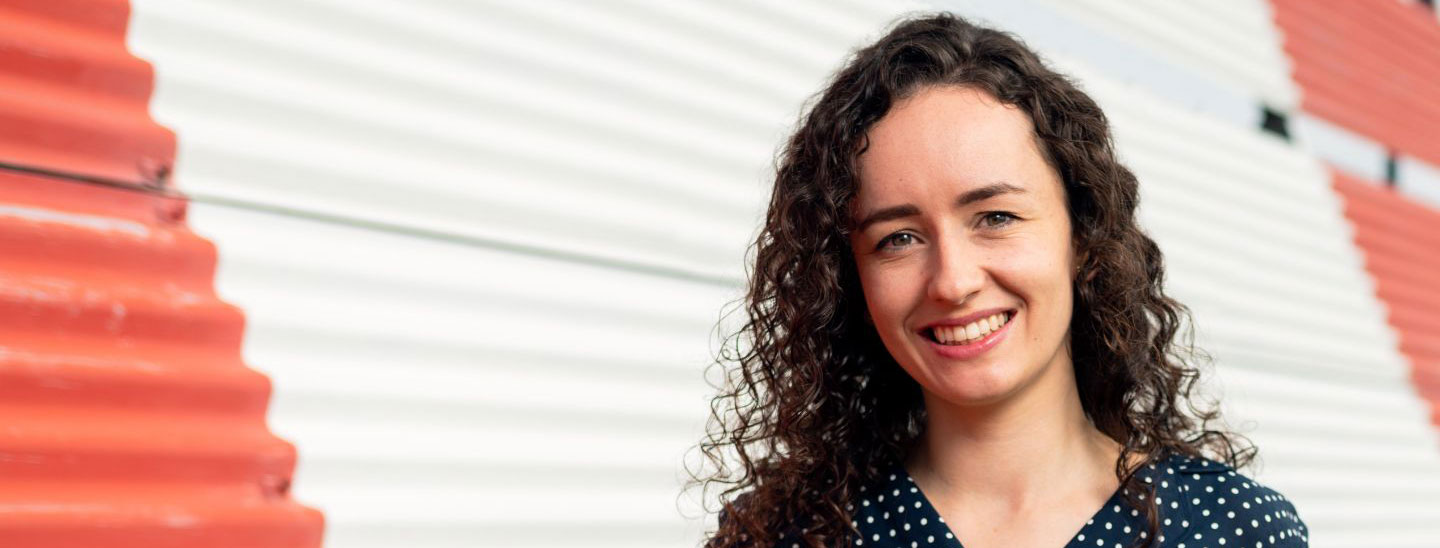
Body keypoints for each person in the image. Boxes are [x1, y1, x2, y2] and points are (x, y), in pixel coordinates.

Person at [691, 11, 1309, 548]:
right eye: (897, 238)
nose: (953, 282)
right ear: (849, 279)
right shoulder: (782, 536)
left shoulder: (1237, 530)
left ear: (1083, 236)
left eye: (995, 217)